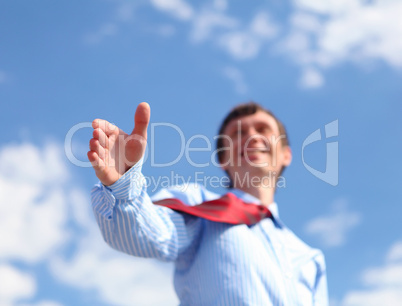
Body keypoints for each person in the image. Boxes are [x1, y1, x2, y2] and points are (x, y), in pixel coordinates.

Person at [88, 102, 329, 305]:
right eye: (237, 134)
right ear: (223, 159)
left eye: (263, 129)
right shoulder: (196, 203)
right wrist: (125, 183)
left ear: (286, 154)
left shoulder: (310, 258)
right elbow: (150, 234)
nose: (252, 136)